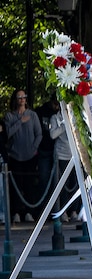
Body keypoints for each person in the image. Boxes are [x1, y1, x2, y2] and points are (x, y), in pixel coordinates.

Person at [4, 90, 42, 223]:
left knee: (29, 185)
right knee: (15, 186)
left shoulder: (33, 115)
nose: (22, 100)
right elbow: (7, 133)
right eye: (19, 97)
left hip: (30, 155)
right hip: (15, 156)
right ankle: (16, 212)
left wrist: (34, 147)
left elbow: (39, 134)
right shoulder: (10, 116)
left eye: (24, 97)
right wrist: (20, 121)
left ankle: (29, 212)